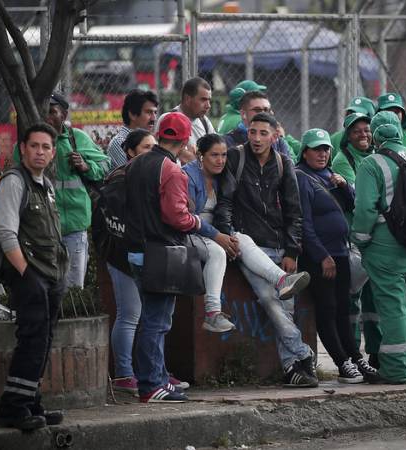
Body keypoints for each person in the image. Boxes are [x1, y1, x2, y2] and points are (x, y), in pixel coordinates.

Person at [217, 112, 317, 388]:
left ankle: (292, 367)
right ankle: (303, 353)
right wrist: (229, 235)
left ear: (275, 136)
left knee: (285, 307)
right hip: (249, 245)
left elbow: (294, 213)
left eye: (263, 133)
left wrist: (292, 252)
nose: (257, 138)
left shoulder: (284, 164)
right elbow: (225, 202)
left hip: (279, 246)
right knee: (268, 299)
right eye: (253, 132)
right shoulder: (236, 159)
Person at [184, 133, 310, 333]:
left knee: (242, 239)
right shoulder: (188, 175)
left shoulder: (221, 176)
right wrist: (218, 236)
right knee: (218, 250)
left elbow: (226, 210)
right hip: (192, 233)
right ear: (201, 155)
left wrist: (225, 235)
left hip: (216, 232)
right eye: (214, 155)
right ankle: (212, 313)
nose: (221, 160)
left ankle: (282, 279)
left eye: (224, 155)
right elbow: (186, 219)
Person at [0, 123, 68, 431]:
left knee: (43, 341)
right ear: (23, 148)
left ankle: (31, 402)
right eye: (34, 146)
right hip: (29, 276)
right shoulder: (14, 182)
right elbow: (6, 234)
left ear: (52, 153)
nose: (40, 151)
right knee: (32, 340)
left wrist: (59, 274)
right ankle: (12, 408)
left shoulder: (46, 185)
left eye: (46, 147)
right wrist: (28, 275)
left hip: (51, 275)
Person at [350, 110, 406, 384]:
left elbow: (364, 209)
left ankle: (396, 370)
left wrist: (360, 240)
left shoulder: (371, 164)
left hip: (388, 246)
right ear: (399, 130)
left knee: (393, 305)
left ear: (375, 135)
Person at [125, 112, 200, 403]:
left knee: (152, 319)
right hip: (160, 253)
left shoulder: (137, 163)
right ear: (183, 141)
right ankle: (152, 386)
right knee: (156, 322)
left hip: (135, 250)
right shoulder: (172, 170)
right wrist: (196, 222)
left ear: (159, 134)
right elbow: (176, 216)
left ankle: (157, 378)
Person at [295, 128, 377, 383]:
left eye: (325, 148)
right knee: (327, 308)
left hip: (341, 252)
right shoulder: (301, 177)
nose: (322, 153)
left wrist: (344, 187)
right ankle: (342, 362)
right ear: (305, 152)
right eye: (316, 149)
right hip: (321, 256)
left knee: (343, 308)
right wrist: (321, 256)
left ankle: (356, 357)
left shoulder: (332, 175)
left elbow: (354, 203)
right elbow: (304, 223)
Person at [21, 92, 109, 289]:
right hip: (40, 230)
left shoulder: (77, 139)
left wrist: (86, 166)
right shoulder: (31, 144)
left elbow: (105, 166)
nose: (47, 117)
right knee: (44, 288)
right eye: (44, 112)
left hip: (73, 229)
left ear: (64, 115)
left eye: (52, 112)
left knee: (73, 289)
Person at [104, 129, 155, 396]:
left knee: (152, 317)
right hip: (123, 258)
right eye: (146, 147)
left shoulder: (151, 177)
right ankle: (124, 374)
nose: (152, 152)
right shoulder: (119, 180)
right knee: (130, 314)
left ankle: (152, 372)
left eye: (154, 147)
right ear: (130, 152)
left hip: (149, 257)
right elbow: (117, 227)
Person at [330, 111, 381, 367]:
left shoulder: (375, 156)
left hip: (377, 237)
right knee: (352, 298)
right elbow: (360, 199)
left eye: (366, 130)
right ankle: (354, 351)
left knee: (375, 298)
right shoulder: (343, 159)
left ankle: (376, 351)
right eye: (356, 131)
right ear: (348, 136)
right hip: (353, 238)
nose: (363, 135)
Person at [157, 77, 214, 163]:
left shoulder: (205, 121)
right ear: (188, 99)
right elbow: (182, 158)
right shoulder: (168, 119)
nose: (208, 105)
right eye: (203, 100)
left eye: (209, 100)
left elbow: (215, 153)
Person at [223, 90, 292, 159]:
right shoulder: (228, 141)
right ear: (243, 114)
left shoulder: (278, 142)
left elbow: (289, 167)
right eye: (257, 110)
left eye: (266, 110)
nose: (263, 114)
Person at [105, 89, 159, 169]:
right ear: (133, 114)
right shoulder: (120, 142)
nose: (154, 118)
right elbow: (132, 176)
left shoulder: (151, 140)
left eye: (155, 113)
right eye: (148, 112)